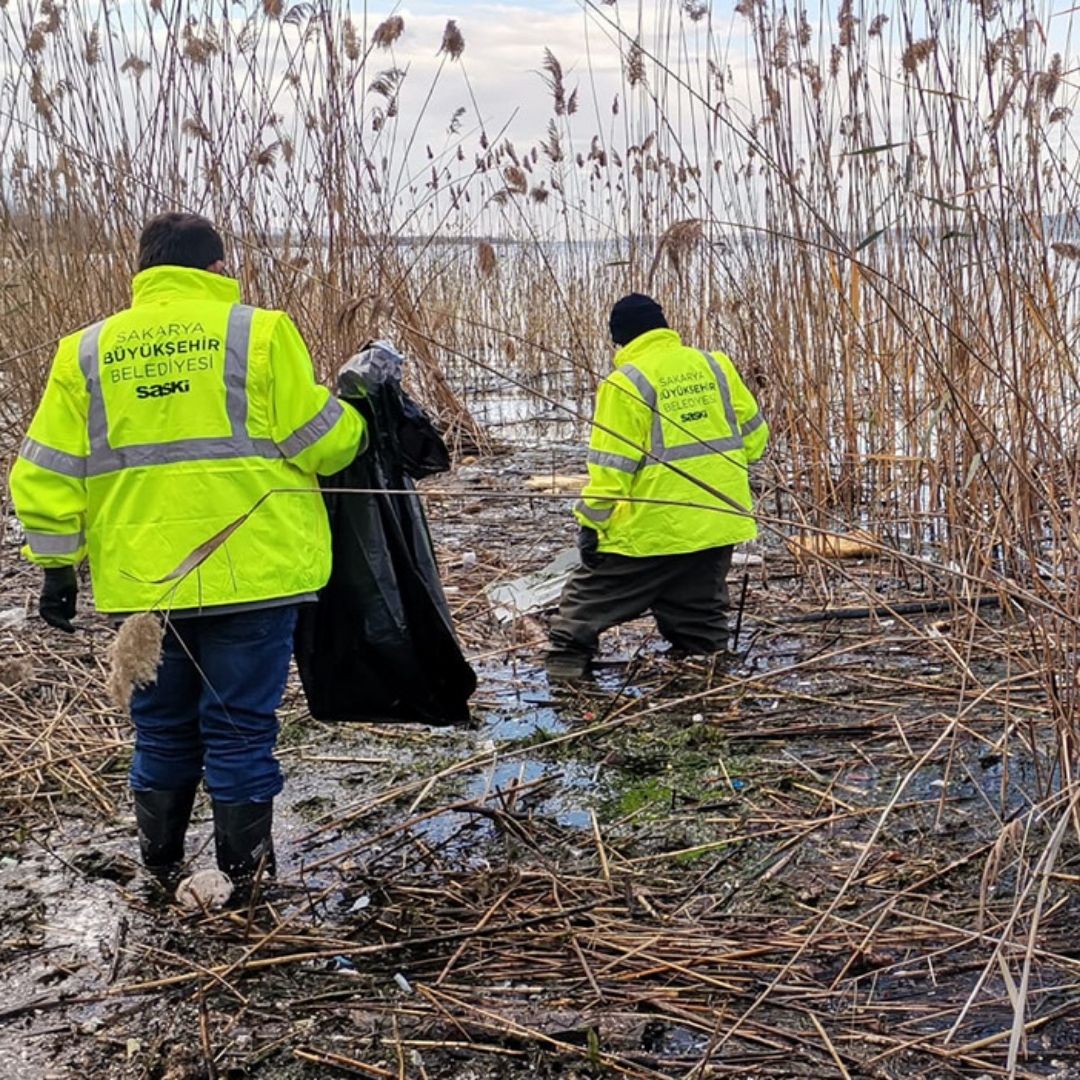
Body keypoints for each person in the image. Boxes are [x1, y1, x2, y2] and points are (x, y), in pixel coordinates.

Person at [9, 212, 366, 891]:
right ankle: (246, 883)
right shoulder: (258, 333)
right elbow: (322, 443)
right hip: (255, 573)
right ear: (216, 270)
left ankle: (162, 868)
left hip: (147, 585)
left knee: (164, 728)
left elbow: (44, 472)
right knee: (239, 729)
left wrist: (55, 568)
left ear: (142, 271)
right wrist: (356, 406)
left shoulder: (84, 351)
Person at [547, 293, 768, 679]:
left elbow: (610, 471)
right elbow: (755, 440)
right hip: (718, 520)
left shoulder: (625, 383)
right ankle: (710, 689)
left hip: (654, 527)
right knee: (699, 618)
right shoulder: (716, 366)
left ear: (620, 340)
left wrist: (591, 525)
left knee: (579, 612)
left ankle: (566, 687)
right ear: (664, 326)